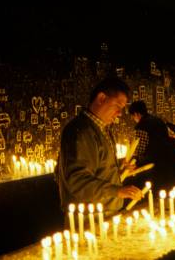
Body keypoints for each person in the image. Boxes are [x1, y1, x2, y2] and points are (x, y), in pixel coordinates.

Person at [56, 77, 142, 216]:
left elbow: (98, 168)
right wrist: (118, 191)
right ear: (101, 98)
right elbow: (77, 181)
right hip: (89, 217)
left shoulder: (102, 129)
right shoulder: (82, 131)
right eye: (118, 106)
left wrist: (120, 169)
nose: (120, 113)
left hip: (104, 211)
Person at [128, 101, 175, 187]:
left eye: (133, 116)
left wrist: (134, 160)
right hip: (169, 157)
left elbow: (140, 148)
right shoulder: (158, 120)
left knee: (157, 186)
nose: (134, 119)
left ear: (136, 114)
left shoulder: (141, 126)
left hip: (154, 162)